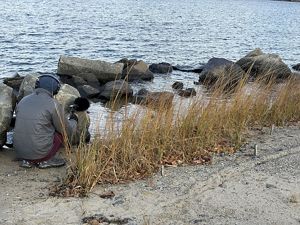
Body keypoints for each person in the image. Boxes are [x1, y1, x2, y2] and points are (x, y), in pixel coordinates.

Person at [13, 75, 78, 168]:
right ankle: (45, 161)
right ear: (56, 90)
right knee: (59, 134)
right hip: (40, 154)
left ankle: (27, 161)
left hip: (19, 152)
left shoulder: (23, 100)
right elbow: (66, 130)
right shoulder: (53, 104)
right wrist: (74, 120)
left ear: (37, 86)